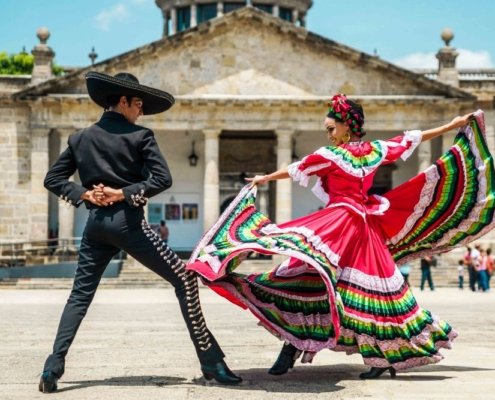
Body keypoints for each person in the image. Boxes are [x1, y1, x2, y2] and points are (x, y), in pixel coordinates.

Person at [188, 94, 495, 380]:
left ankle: (378, 358)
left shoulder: (337, 155)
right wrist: (265, 178)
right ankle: (295, 346)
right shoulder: (371, 151)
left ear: (347, 126)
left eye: (331, 128)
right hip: (350, 228)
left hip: (346, 228)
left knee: (360, 294)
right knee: (310, 278)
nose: (328, 133)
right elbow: (405, 141)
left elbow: (300, 167)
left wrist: (453, 126)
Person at [38, 72, 241, 393]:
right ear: (122, 101)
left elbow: (53, 179)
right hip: (128, 223)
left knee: (79, 295)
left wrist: (85, 195)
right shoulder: (140, 136)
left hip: (95, 226)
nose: (141, 111)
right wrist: (123, 193)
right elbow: (162, 179)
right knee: (186, 279)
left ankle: (53, 366)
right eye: (138, 104)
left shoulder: (80, 138)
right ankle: (211, 361)